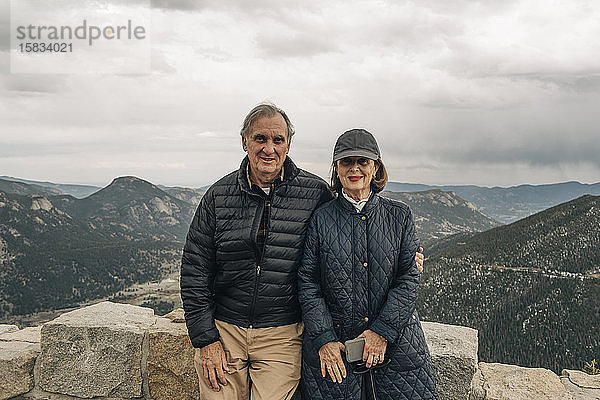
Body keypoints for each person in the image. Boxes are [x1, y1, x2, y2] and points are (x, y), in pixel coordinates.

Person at [180, 104, 425, 400]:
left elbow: (359, 225)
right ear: (244, 142)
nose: (269, 149)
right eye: (260, 139)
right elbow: (195, 269)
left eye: (278, 140)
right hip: (226, 329)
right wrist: (205, 339)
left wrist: (407, 261)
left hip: (280, 334)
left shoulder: (316, 194)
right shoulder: (218, 196)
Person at [298, 129, 438, 399]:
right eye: (346, 162)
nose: (354, 168)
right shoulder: (321, 219)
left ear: (376, 167)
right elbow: (308, 283)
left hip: (397, 347)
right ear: (336, 170)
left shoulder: (399, 216)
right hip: (336, 348)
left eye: (362, 161)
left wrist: (381, 332)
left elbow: (408, 279)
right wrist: (324, 338)